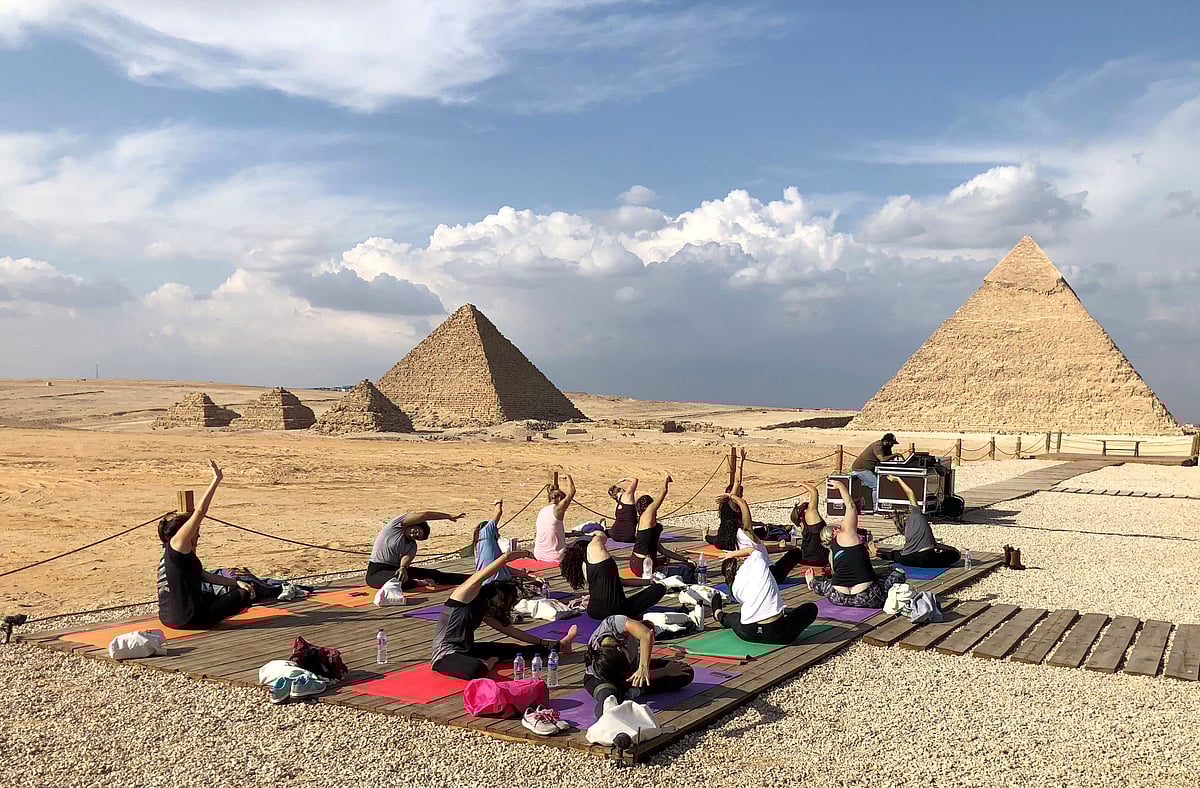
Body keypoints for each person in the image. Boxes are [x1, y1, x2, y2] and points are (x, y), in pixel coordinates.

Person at [157, 461, 281, 629]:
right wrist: (216, 480)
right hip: (189, 618)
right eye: (196, 532)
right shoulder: (178, 544)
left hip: (167, 618)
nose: (198, 535)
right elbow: (199, 512)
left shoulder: (168, 552)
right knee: (245, 594)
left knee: (215, 593)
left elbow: (206, 576)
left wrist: (235, 582)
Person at [431, 550, 578, 679]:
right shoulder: (462, 595)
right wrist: (524, 554)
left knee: (512, 649)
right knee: (475, 669)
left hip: (466, 650)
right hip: (444, 656)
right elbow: (492, 568)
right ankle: (489, 662)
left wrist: (546, 643)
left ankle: (562, 646)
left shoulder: (484, 609)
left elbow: (511, 631)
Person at [716, 493, 820, 644]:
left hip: (748, 632)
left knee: (736, 619)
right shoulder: (747, 535)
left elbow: (760, 550)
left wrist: (781, 548)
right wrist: (736, 498)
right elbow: (745, 508)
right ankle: (782, 613)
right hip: (777, 631)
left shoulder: (735, 586)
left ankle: (718, 614)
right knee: (810, 608)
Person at [804, 478, 906, 609]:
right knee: (897, 573)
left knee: (827, 585)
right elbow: (851, 506)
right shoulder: (845, 534)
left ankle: (812, 583)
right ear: (835, 530)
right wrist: (841, 486)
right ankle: (814, 583)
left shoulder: (831, 554)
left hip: (838, 597)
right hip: (866, 596)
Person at [585, 614, 694, 716]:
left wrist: (643, 666)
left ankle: (630, 692)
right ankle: (618, 703)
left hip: (633, 673)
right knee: (608, 699)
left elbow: (646, 634)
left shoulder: (612, 624)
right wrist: (664, 671)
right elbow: (631, 678)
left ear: (619, 647)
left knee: (685, 672)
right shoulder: (599, 663)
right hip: (604, 680)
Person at [560, 530, 666, 620]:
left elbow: (623, 581)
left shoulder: (586, 570)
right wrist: (592, 533)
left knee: (652, 587)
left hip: (593, 612)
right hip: (616, 610)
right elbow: (601, 536)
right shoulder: (594, 549)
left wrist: (649, 581)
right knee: (659, 589)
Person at [715, 494, 807, 589]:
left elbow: (763, 549)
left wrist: (787, 547)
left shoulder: (732, 536)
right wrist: (730, 495)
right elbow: (743, 503)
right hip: (771, 575)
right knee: (797, 553)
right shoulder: (746, 531)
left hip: (755, 575)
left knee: (794, 550)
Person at [365, 509, 470, 590]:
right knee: (397, 581)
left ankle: (471, 578)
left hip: (397, 569)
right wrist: (447, 516)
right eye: (417, 531)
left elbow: (406, 558)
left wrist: (402, 568)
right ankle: (420, 582)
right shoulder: (395, 528)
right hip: (377, 570)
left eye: (417, 537)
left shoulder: (412, 545)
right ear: (414, 524)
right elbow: (425, 515)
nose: (415, 534)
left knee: (435, 574)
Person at [876, 476, 961, 568]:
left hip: (909, 559)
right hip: (927, 558)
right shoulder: (916, 514)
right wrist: (898, 479)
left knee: (895, 555)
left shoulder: (905, 528)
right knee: (955, 556)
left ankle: (876, 552)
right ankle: (876, 552)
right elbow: (910, 493)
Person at [629, 475, 694, 578]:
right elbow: (663, 492)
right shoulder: (646, 516)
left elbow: (662, 550)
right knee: (687, 572)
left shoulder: (647, 526)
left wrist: (684, 558)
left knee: (689, 565)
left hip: (642, 563)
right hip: (643, 565)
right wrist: (666, 480)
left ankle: (665, 565)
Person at [534, 474, 575, 562]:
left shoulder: (542, 511)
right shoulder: (557, 509)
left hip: (538, 554)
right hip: (556, 556)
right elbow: (572, 491)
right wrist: (568, 477)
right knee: (585, 542)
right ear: (560, 498)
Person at [789, 480, 832, 566]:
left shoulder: (801, 520)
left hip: (806, 556)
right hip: (819, 558)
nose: (808, 496)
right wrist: (802, 483)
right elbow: (814, 491)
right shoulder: (810, 513)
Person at [850, 433, 902, 502]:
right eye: (892, 443)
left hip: (869, 469)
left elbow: (888, 460)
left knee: (882, 483)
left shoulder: (886, 448)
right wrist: (894, 455)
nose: (892, 445)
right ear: (886, 441)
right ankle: (876, 508)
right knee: (876, 486)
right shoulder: (878, 446)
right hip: (861, 469)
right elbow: (882, 459)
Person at [608, 477, 639, 543]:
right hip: (629, 536)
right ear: (621, 490)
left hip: (615, 535)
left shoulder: (618, 503)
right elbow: (635, 480)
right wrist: (624, 479)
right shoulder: (627, 495)